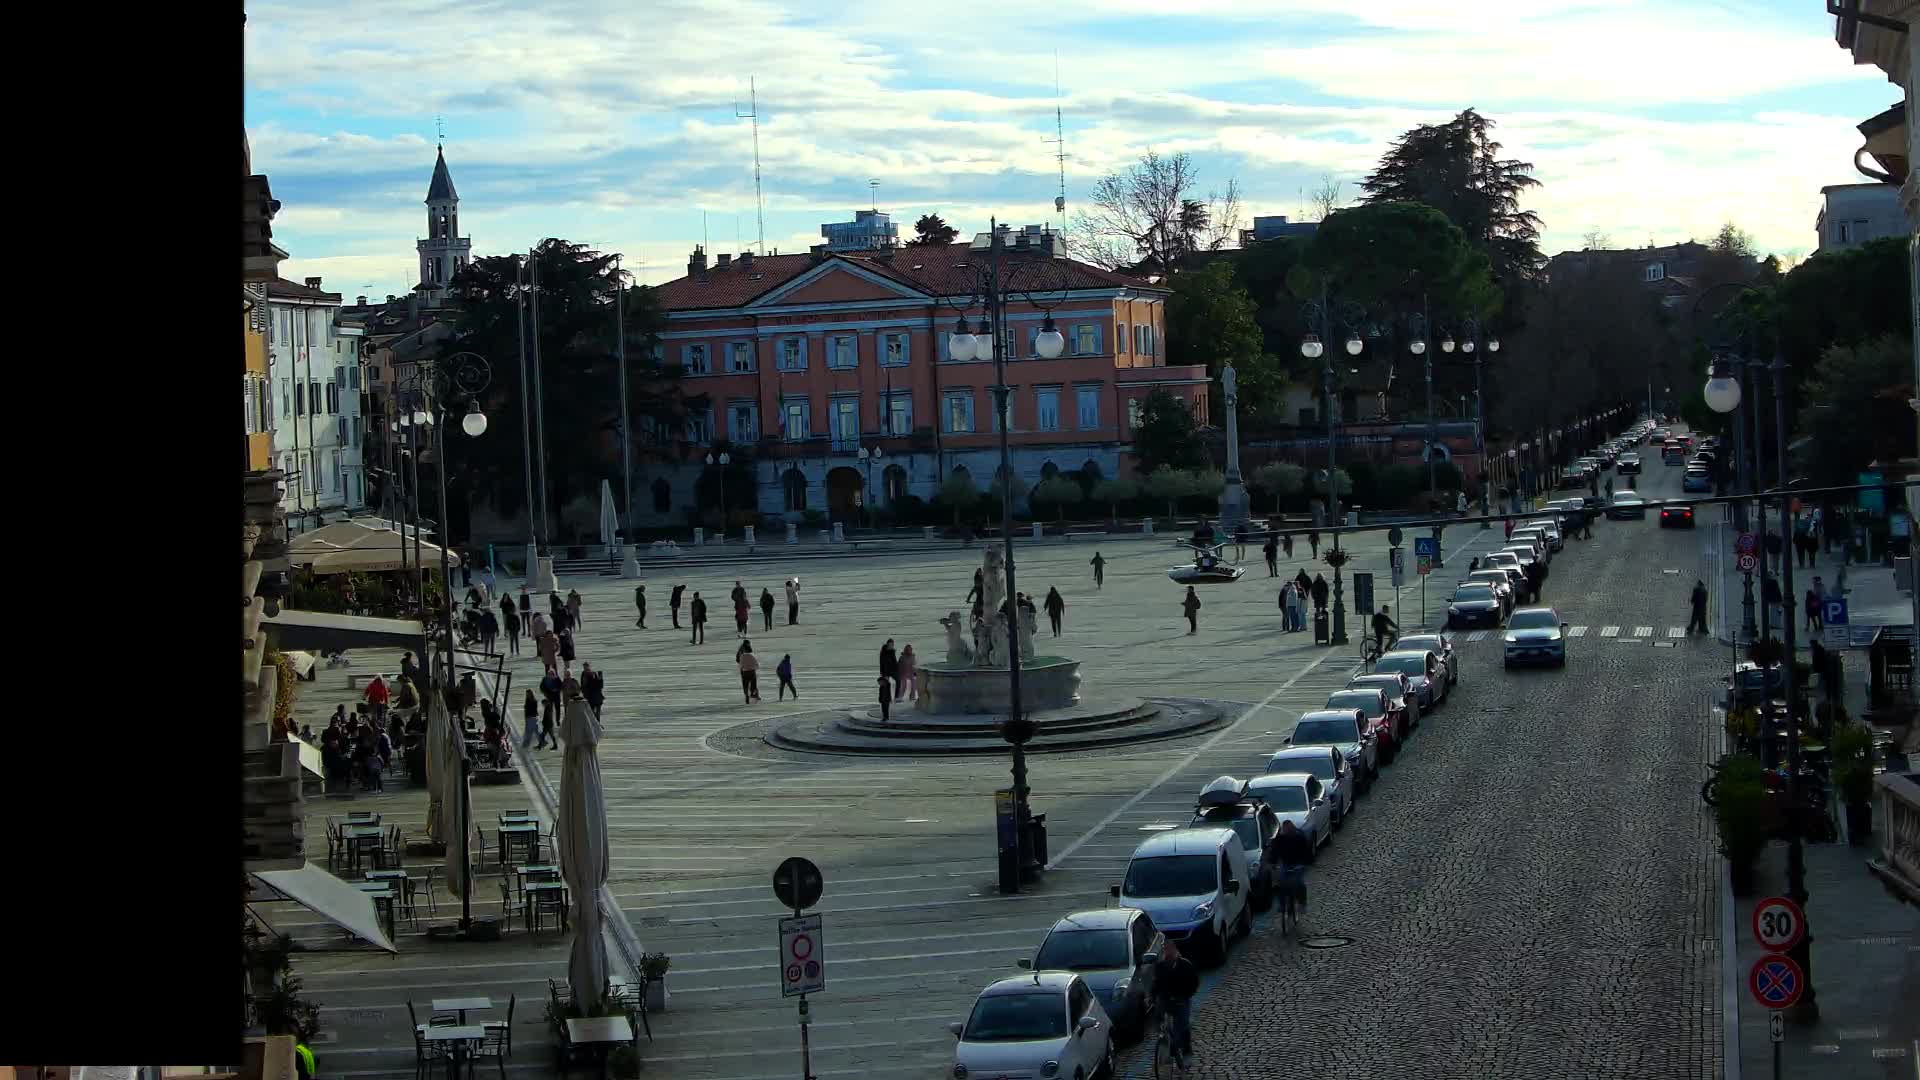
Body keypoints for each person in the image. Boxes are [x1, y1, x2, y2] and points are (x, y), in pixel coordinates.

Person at [1152, 940, 1201, 1069]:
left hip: (1181, 1000)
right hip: (1166, 999)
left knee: (1183, 1026)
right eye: (1165, 950)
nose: (1167, 953)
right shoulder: (1160, 966)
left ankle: (1186, 1051)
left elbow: (1194, 983)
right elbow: (1156, 984)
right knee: (1158, 1017)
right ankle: (1163, 1042)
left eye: (1170, 950)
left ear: (1175, 951)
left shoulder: (1185, 966)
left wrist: (1185, 995)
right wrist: (1152, 997)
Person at [1270, 819, 1314, 933]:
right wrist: (1273, 863)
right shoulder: (1279, 839)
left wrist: (1305, 863)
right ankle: (1281, 905)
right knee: (1279, 883)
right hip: (1285, 863)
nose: (1286, 831)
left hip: (1297, 863)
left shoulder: (1299, 837)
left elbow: (1306, 852)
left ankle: (1302, 903)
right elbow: (1274, 853)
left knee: (1299, 883)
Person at [538, 668, 563, 748]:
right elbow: (541, 687)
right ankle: (551, 720)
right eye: (549, 674)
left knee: (557, 708)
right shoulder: (545, 679)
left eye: (552, 674)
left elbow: (561, 686)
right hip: (549, 696)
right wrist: (545, 692)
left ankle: (557, 720)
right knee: (549, 709)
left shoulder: (557, 679)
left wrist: (557, 689)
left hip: (556, 696)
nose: (550, 675)